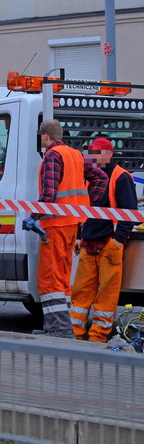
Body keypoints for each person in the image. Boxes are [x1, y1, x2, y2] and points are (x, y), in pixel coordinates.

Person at [29, 120, 107, 337]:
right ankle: (62, 328)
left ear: (45, 136)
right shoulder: (76, 155)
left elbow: (48, 194)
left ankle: (58, 329)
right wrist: (86, 203)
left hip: (54, 224)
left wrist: (33, 217)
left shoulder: (53, 156)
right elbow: (101, 177)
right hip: (72, 224)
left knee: (49, 278)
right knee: (62, 276)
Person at [70, 137, 137, 342]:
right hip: (90, 243)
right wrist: (80, 237)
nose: (93, 157)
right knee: (81, 293)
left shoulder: (121, 177)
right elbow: (84, 211)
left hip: (109, 243)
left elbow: (130, 213)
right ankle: (76, 334)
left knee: (106, 296)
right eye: (92, 154)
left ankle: (98, 337)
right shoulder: (89, 178)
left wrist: (117, 241)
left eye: (98, 153)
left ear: (109, 154)